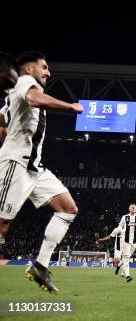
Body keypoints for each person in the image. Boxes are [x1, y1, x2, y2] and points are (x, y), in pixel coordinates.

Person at [0, 51, 83, 293]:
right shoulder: (26, 82)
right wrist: (71, 106)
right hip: (15, 164)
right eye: (44, 67)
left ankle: (40, 267)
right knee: (2, 227)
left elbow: (3, 121)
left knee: (68, 209)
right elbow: (35, 99)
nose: (48, 72)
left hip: (33, 168)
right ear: (28, 69)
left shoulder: (14, 92)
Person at [118, 203, 136, 283]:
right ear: (129, 209)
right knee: (127, 258)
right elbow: (120, 226)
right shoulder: (125, 217)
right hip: (126, 241)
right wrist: (120, 231)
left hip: (134, 243)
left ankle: (119, 268)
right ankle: (127, 275)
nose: (134, 208)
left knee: (127, 258)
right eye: (132, 207)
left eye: (135, 207)